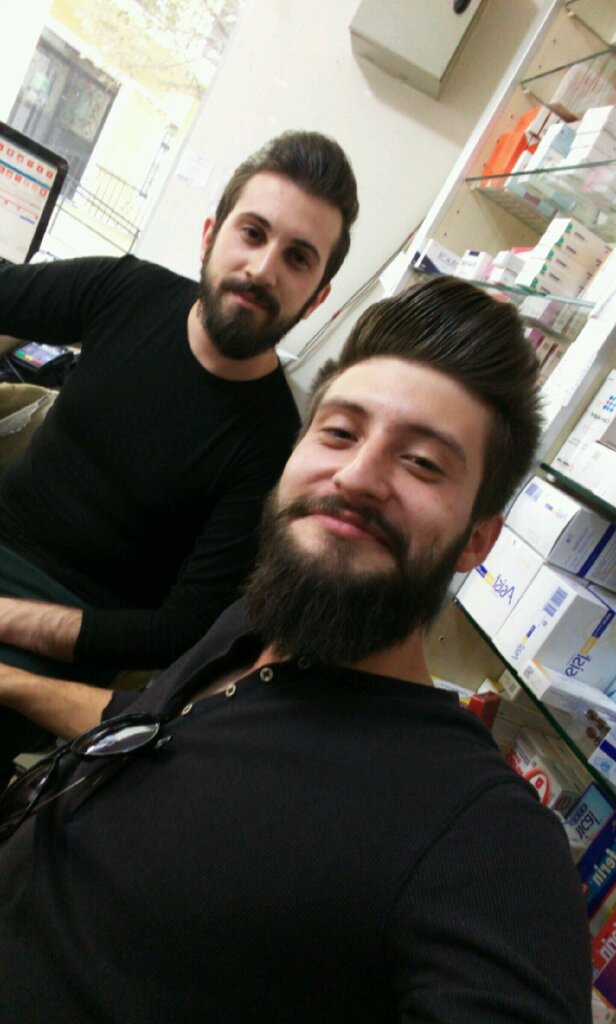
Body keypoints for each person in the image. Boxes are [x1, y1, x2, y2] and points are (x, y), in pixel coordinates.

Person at [0, 276, 591, 1022]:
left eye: (422, 463)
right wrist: (11, 683)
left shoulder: (478, 832)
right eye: (339, 432)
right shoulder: (254, 624)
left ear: (478, 539)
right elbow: (162, 729)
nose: (357, 476)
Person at [0, 130, 359, 784]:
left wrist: (10, 621)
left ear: (317, 296)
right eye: (253, 233)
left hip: (56, 634)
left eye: (297, 258)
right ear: (210, 236)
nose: (263, 268)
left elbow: (176, 630)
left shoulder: (272, 453)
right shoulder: (127, 291)